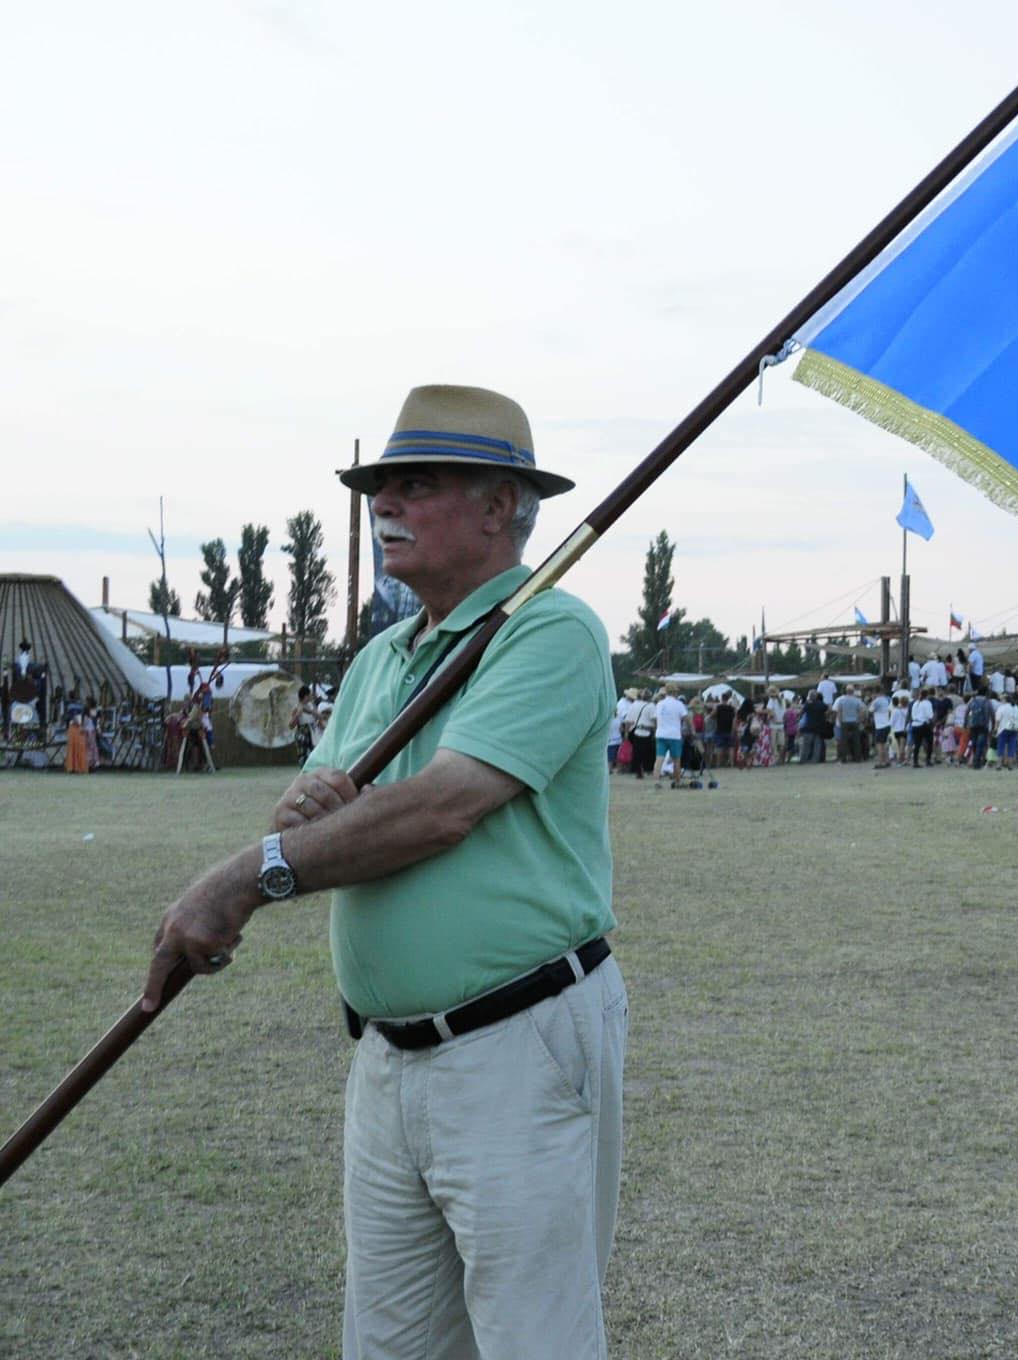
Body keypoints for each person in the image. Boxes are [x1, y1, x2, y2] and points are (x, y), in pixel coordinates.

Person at [142, 384, 624, 1356]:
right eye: (380, 487)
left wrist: (246, 874)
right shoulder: (379, 660)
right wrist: (298, 823)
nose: (385, 505)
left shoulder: (549, 631)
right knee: (389, 1343)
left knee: (534, 1339)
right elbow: (326, 810)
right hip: (385, 1055)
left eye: (418, 484)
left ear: (500, 506)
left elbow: (443, 806)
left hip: (514, 1041)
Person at [653, 684, 688, 785]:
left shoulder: (659, 704)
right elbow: (686, 717)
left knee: (659, 758)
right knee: (676, 759)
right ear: (675, 693)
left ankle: (656, 780)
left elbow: (656, 719)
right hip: (674, 735)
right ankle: (677, 781)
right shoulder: (678, 704)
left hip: (660, 734)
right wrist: (691, 730)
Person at [965, 688, 993, 769]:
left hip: (973, 724)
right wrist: (993, 724)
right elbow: (992, 714)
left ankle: (975, 760)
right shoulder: (987, 701)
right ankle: (977, 761)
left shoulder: (972, 700)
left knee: (974, 743)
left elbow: (967, 712)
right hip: (983, 725)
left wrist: (965, 723)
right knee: (980, 744)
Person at [995, 691, 1018, 770]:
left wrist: (996, 729)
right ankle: (1010, 764)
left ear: (1005, 700)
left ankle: (999, 764)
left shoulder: (1002, 707)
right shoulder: (1017, 707)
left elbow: (998, 720)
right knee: (1012, 747)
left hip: (1003, 728)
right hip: (1014, 729)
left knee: (1001, 746)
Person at [909, 688, 935, 767]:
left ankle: (915, 761)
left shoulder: (915, 703)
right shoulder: (927, 703)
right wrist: (932, 723)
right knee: (929, 742)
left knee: (917, 744)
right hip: (923, 724)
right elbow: (930, 715)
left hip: (915, 724)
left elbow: (912, 715)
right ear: (927, 695)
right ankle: (928, 759)